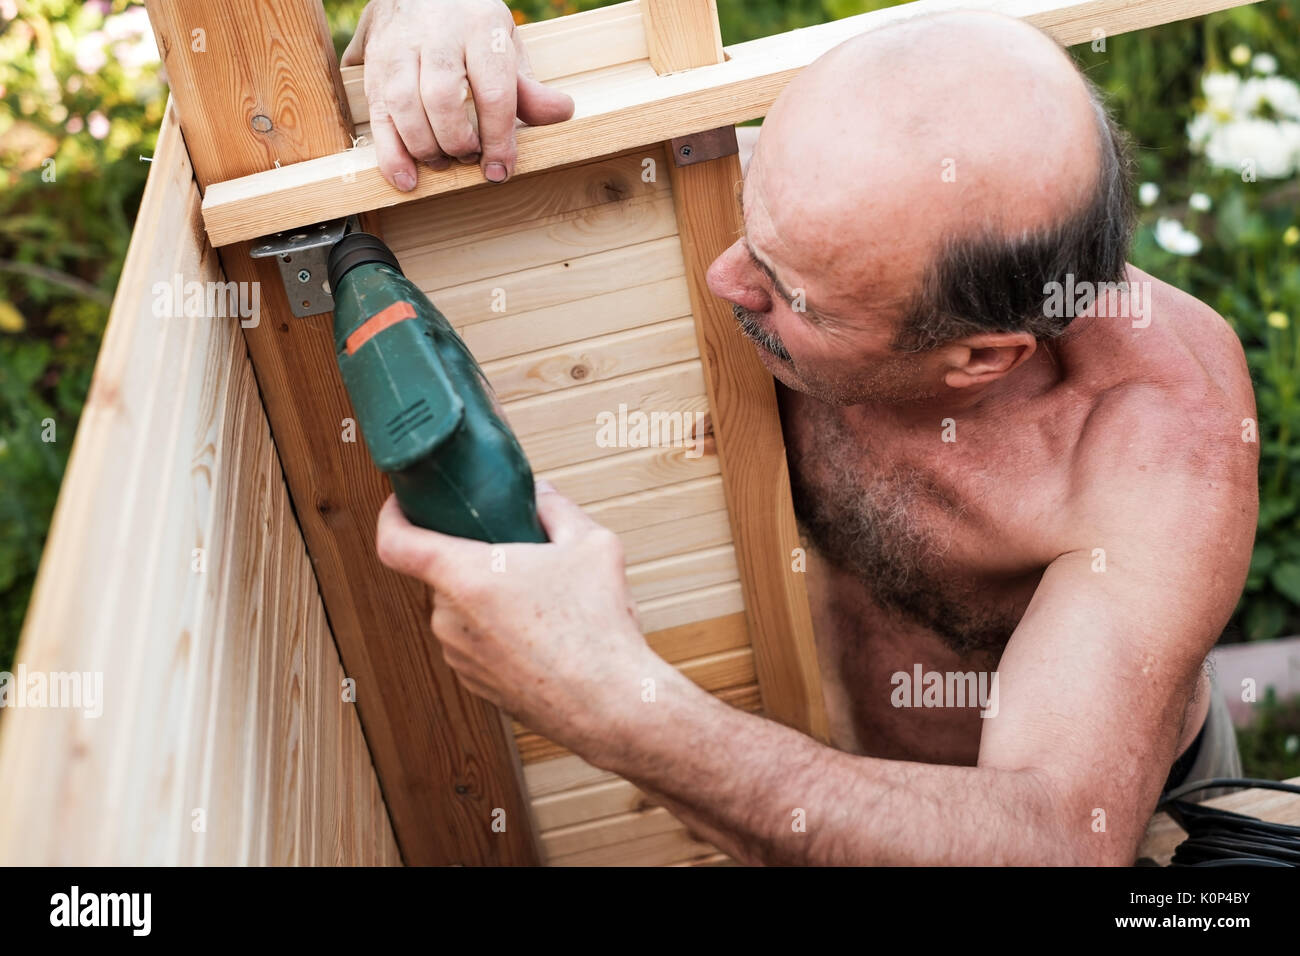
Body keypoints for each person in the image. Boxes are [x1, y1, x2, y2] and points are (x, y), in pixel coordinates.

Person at [351, 0, 1257, 864]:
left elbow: (1058, 843)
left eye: (789, 294)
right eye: (750, 217)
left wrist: (609, 704)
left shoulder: (1159, 451)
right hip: (793, 772)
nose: (722, 276)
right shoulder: (833, 211)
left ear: (981, 360)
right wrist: (435, 27)